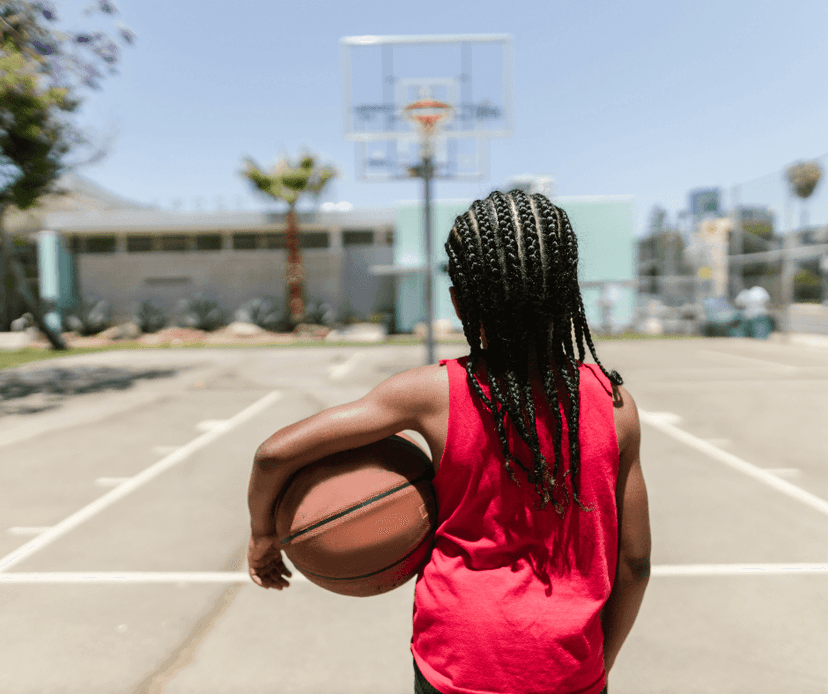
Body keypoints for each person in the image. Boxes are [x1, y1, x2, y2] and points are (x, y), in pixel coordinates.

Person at [248, 190, 651, 694]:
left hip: (458, 662)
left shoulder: (432, 393)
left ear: (459, 299)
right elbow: (634, 563)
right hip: (568, 664)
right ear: (568, 293)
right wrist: (594, 666)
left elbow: (274, 454)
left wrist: (264, 537)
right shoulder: (614, 405)